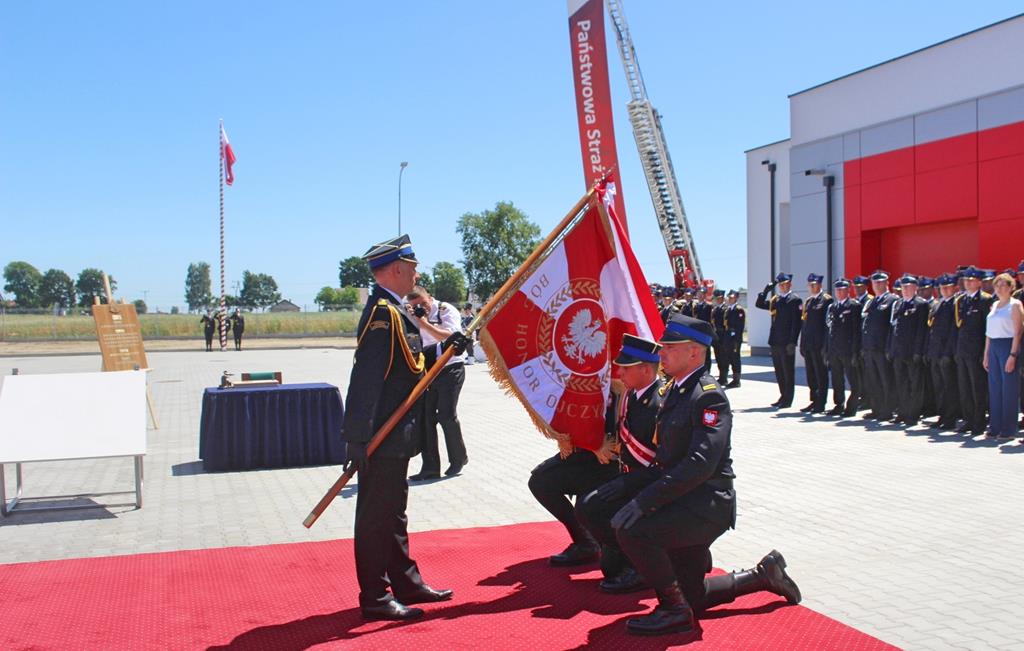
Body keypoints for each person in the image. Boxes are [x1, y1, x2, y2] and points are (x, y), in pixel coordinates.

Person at [609, 314, 800, 637]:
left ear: (694, 353)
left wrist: (646, 501)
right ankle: (762, 575)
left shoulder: (707, 395)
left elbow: (700, 463)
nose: (662, 353)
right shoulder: (676, 390)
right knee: (694, 596)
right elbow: (666, 459)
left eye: (670, 347)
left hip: (706, 502)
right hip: (684, 498)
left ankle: (673, 611)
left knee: (635, 531)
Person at [341, 234, 466, 621]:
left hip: (396, 433)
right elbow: (367, 378)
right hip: (381, 433)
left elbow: (405, 370)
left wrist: (448, 350)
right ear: (396, 269)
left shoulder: (397, 309)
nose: (417, 272)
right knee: (376, 515)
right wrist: (357, 437)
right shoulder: (383, 313)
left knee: (394, 512)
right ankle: (376, 597)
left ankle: (406, 581)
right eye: (412, 266)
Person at [574, 334, 664, 591]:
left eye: (626, 367)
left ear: (646, 369)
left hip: (648, 483)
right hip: (628, 476)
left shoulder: (660, 401)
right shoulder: (630, 395)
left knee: (591, 508)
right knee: (588, 509)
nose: (619, 372)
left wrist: (631, 482)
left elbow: (662, 460)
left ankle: (643, 567)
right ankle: (628, 555)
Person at [405, 285, 470, 480]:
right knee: (426, 419)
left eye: (423, 303)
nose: (420, 308)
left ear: (430, 298)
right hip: (428, 369)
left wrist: (423, 322)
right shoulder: (410, 315)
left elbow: (452, 337)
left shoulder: (445, 310)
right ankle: (430, 468)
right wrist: (412, 319)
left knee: (446, 414)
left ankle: (458, 458)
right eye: (415, 305)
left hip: (451, 367)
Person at [955, 266, 995, 436]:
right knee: (964, 388)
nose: (968, 283)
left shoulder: (986, 301)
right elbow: (957, 328)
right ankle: (969, 419)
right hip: (962, 350)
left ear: (979, 282)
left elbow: (988, 329)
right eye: (966, 280)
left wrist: (984, 353)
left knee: (977, 388)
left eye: (972, 280)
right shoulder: (961, 300)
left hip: (977, 351)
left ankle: (979, 422)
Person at [983, 273, 1022, 440]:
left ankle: (1008, 428)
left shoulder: (1015, 305)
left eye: (1004, 285)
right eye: (997, 285)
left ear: (1011, 287)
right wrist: (986, 354)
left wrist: (1013, 355)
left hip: (1008, 346)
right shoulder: (994, 305)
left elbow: (1018, 332)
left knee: (1009, 389)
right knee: (995, 388)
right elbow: (989, 333)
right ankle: (995, 426)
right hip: (994, 347)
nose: (1000, 288)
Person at [755, 272, 802, 408]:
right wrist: (765, 291)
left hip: (787, 342)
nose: (782, 287)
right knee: (779, 371)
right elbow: (759, 304)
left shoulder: (795, 300)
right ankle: (783, 396)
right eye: (780, 285)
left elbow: (796, 323)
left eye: (785, 284)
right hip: (775, 341)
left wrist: (793, 341)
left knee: (788, 371)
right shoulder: (776, 300)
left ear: (790, 285)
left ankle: (788, 399)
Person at [889, 275, 929, 426]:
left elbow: (921, 331)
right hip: (898, 351)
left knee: (915, 384)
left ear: (915, 288)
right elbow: (893, 328)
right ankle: (903, 412)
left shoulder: (920, 305)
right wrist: (891, 348)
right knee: (901, 383)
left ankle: (913, 414)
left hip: (912, 352)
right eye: (903, 287)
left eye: (908, 287)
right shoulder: (898, 304)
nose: (905, 290)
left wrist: (918, 352)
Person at [925, 275, 961, 430]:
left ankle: (950, 418)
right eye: (942, 287)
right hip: (935, 352)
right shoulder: (937, 304)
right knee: (939, 387)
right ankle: (942, 415)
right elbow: (931, 330)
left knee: (949, 387)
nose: (945, 290)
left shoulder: (956, 304)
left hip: (947, 353)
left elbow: (954, 331)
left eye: (948, 287)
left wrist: (948, 353)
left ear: (954, 288)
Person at [861, 271, 897, 421]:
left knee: (886, 380)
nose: (877, 285)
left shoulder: (892, 300)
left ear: (886, 283)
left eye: (880, 283)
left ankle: (887, 410)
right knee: (873, 380)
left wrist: (890, 347)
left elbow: (892, 327)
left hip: (882, 348)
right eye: (875, 283)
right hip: (870, 347)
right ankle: (876, 409)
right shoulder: (872, 301)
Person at [825, 278, 862, 417]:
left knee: (853, 380)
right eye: (837, 290)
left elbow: (856, 331)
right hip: (835, 350)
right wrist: (827, 350)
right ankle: (838, 405)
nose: (839, 292)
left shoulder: (854, 306)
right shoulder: (833, 307)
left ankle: (851, 407)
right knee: (837, 380)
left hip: (848, 350)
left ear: (848, 290)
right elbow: (830, 330)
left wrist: (855, 352)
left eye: (842, 289)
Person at [799, 273, 832, 414]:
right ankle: (814, 400)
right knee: (811, 374)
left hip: (819, 344)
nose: (812, 287)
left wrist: (826, 345)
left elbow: (827, 325)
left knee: (821, 374)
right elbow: (805, 324)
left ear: (820, 285)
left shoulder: (826, 301)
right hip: (809, 344)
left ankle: (821, 403)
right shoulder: (808, 302)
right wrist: (802, 343)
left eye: (815, 284)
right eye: (810, 285)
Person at [723, 289, 745, 388]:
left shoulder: (739, 309)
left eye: (732, 297)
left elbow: (740, 326)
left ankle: (737, 380)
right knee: (730, 357)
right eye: (729, 297)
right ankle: (733, 378)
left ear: (736, 298)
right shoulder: (728, 309)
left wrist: (736, 339)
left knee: (735, 358)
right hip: (728, 337)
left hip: (735, 338)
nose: (730, 299)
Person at [711, 289, 728, 383]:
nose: (718, 300)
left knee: (724, 358)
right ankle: (721, 376)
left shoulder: (726, 309)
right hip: (716, 336)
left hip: (723, 336)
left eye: (720, 298)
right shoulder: (715, 309)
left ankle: (724, 377)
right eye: (716, 299)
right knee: (718, 357)